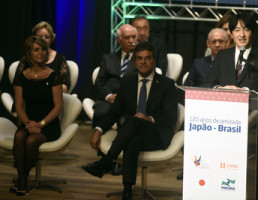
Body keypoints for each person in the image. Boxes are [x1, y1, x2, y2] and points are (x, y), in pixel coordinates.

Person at [83, 41, 178, 200]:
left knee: (134, 121)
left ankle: (105, 162)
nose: (143, 62)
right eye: (139, 58)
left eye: (147, 58)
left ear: (153, 60)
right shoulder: (127, 83)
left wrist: (149, 118)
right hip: (132, 133)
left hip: (156, 134)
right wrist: (97, 130)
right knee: (133, 139)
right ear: (135, 61)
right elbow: (113, 113)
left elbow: (171, 116)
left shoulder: (166, 84)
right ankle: (127, 190)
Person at [203, 12, 258, 200]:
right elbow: (207, 84)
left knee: (251, 173)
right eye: (237, 30)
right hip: (224, 124)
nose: (241, 34)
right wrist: (222, 88)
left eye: (246, 29)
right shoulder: (223, 56)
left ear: (253, 32)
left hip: (252, 125)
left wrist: (243, 90)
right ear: (231, 34)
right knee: (223, 170)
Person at [10, 36, 63, 196]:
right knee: (19, 137)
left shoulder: (54, 76)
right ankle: (22, 178)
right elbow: (19, 106)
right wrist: (28, 123)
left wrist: (40, 124)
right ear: (29, 53)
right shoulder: (21, 76)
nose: (41, 53)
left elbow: (58, 106)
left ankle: (22, 179)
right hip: (28, 121)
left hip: (48, 124)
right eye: (36, 50)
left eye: (43, 50)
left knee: (32, 140)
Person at [83, 24, 138, 176]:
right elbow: (99, 82)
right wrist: (108, 96)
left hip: (129, 101)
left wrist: (122, 98)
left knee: (126, 118)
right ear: (119, 40)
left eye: (134, 37)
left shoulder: (141, 59)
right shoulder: (108, 58)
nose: (132, 40)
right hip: (108, 99)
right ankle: (104, 159)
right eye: (127, 37)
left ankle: (118, 160)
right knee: (101, 112)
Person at [15, 21, 70, 93]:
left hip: (52, 99)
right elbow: (17, 82)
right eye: (40, 37)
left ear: (51, 39)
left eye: (47, 37)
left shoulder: (60, 58)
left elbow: (64, 86)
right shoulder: (26, 58)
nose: (43, 39)